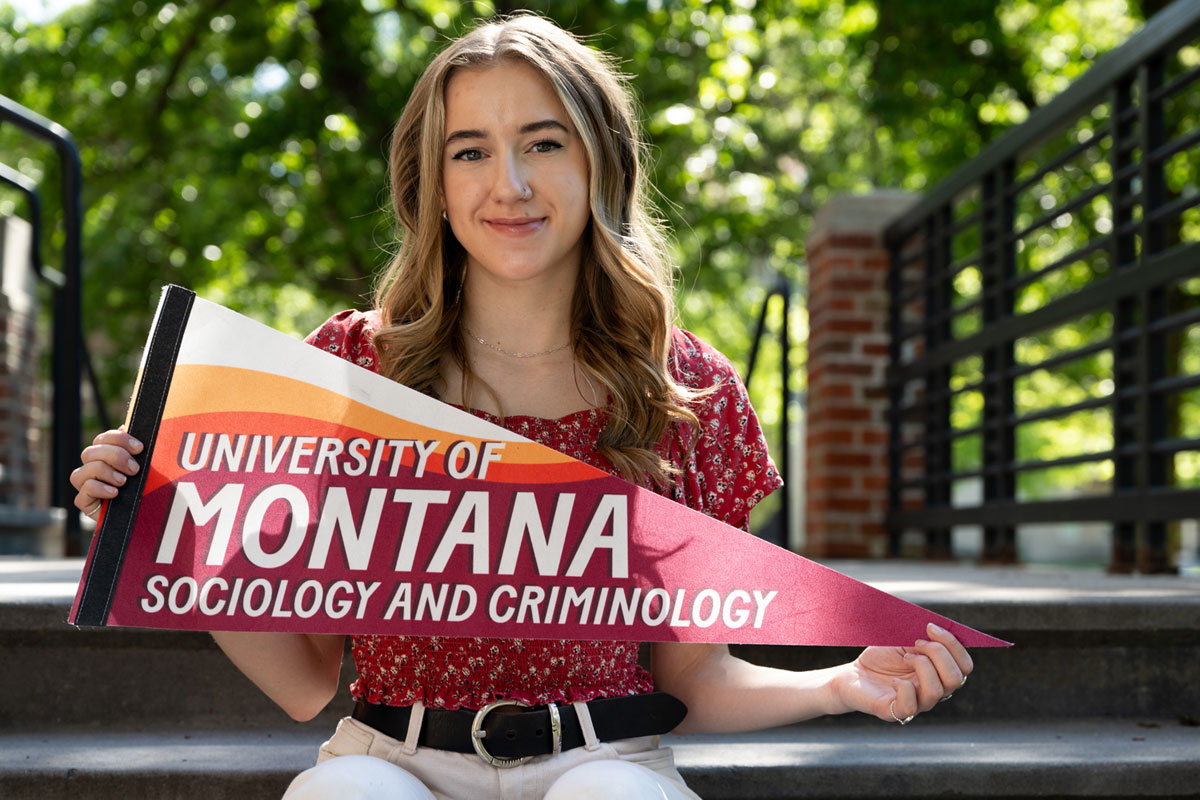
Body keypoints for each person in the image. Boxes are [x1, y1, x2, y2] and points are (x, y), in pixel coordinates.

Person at [70, 14, 972, 800]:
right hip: (392, 756)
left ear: (599, 161)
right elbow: (306, 676)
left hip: (607, 757)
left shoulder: (684, 392)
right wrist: (165, 523)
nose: (510, 184)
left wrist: (839, 684)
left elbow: (694, 684)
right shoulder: (352, 369)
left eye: (543, 142)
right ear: (435, 182)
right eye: (471, 151)